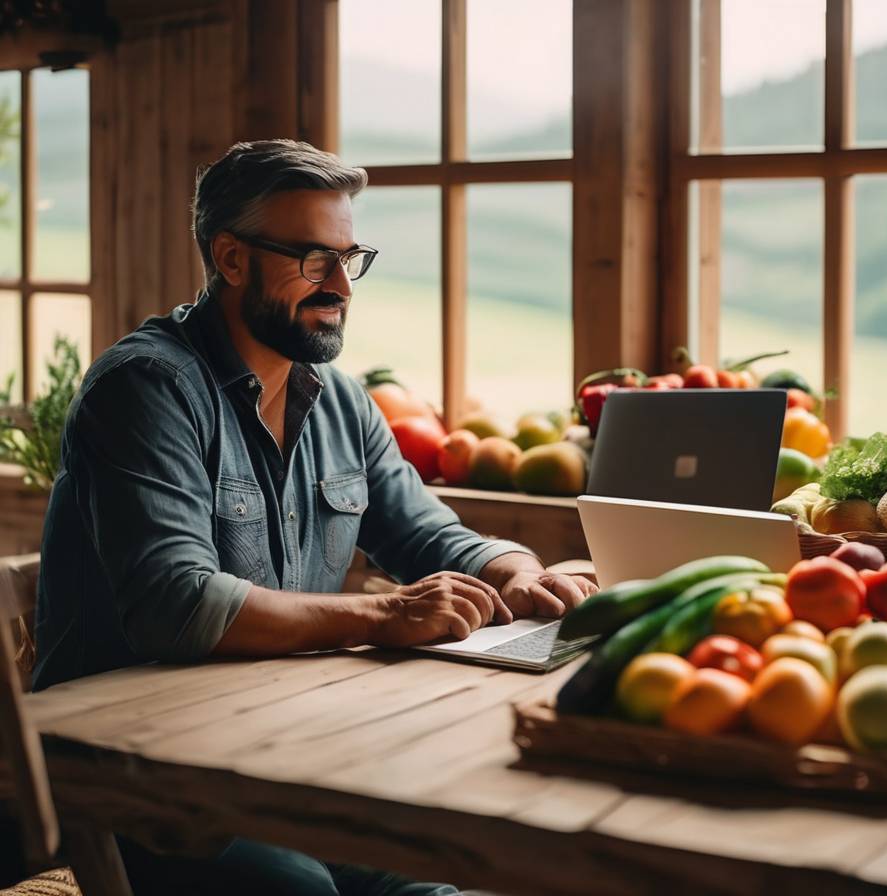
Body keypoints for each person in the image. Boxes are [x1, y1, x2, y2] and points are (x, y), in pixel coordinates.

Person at [32, 139, 596, 895]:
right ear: (231, 259)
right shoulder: (145, 388)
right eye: (313, 259)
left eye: (348, 258)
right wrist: (386, 615)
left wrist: (516, 573)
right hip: (132, 776)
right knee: (303, 889)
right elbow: (178, 604)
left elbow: (422, 531)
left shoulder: (341, 400)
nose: (340, 286)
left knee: (460, 870)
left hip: (283, 749)